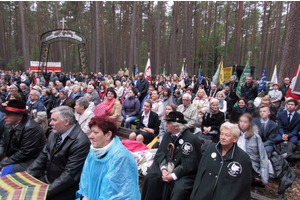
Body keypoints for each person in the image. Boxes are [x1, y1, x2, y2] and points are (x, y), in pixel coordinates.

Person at [27, 106, 91, 200]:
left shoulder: (80, 142)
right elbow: (42, 157)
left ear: (66, 121)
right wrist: (27, 176)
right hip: (49, 179)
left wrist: (46, 192)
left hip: (65, 188)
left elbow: (69, 175)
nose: (50, 123)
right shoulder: (54, 134)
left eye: (54, 120)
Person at [75, 116, 140, 200]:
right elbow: (85, 180)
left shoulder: (121, 157)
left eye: (95, 132)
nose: (91, 136)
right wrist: (84, 196)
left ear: (108, 135)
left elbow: (122, 193)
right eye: (91, 132)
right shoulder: (94, 152)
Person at [142, 111, 202, 200]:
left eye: (168, 123)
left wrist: (173, 175)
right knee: (152, 178)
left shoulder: (192, 139)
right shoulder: (167, 135)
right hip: (166, 169)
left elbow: (190, 164)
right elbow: (161, 153)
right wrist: (163, 169)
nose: (166, 125)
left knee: (179, 189)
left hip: (183, 173)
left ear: (176, 126)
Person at [190, 122, 252, 200]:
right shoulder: (211, 149)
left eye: (227, 135)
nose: (223, 137)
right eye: (222, 134)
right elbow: (200, 173)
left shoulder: (243, 158)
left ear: (235, 139)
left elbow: (243, 186)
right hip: (204, 195)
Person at [0, 100, 46, 176]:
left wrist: (3, 163)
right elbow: (3, 143)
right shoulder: (9, 124)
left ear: (19, 116)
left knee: (5, 171)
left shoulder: (31, 128)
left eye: (9, 114)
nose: (5, 117)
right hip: (14, 157)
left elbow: (24, 153)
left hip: (30, 162)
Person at [237, 113, 269, 185]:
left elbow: (263, 156)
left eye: (245, 122)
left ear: (250, 123)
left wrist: (264, 176)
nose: (242, 124)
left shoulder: (255, 137)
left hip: (250, 164)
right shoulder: (236, 134)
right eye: (241, 121)